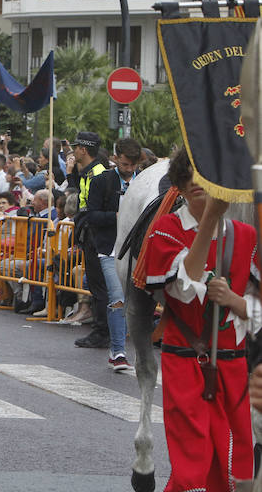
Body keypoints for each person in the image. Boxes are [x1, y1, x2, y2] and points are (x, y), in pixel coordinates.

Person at [144, 148, 259, 492]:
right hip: (185, 362)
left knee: (234, 465)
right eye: (187, 175)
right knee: (192, 461)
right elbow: (182, 287)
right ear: (178, 184)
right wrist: (210, 219)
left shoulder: (246, 236)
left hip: (234, 366)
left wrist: (235, 300)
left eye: (204, 174)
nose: (196, 181)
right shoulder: (165, 229)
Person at [85, 137, 141, 371]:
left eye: (133, 165)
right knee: (117, 297)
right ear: (116, 159)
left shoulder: (144, 183)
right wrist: (118, 217)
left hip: (139, 249)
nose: (129, 170)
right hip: (110, 249)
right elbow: (92, 216)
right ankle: (118, 351)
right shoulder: (101, 181)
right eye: (125, 164)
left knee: (138, 302)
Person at [69, 131, 111, 349]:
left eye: (76, 147)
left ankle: (102, 331)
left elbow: (92, 208)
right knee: (97, 285)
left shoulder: (98, 174)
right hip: (90, 233)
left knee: (99, 285)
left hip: (97, 235)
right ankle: (101, 329)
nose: (74, 151)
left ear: (83, 150)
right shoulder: (90, 172)